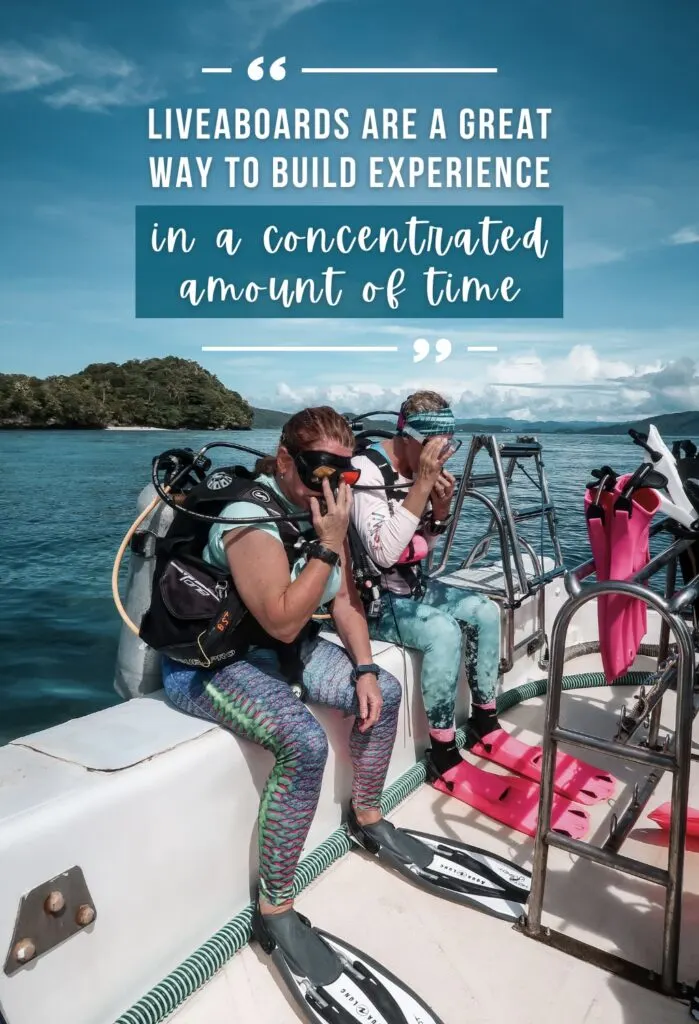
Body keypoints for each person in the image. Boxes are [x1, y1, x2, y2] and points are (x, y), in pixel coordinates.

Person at [159, 406, 409, 960]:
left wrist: (365, 669)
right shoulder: (252, 517)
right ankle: (275, 906)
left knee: (385, 694)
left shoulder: (323, 511)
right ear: (283, 460)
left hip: (276, 653)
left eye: (342, 474)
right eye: (317, 469)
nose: (329, 485)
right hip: (208, 666)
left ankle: (367, 815)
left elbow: (344, 600)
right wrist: (327, 542)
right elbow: (283, 618)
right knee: (303, 742)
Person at [350, 390, 502, 778]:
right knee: (443, 631)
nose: (442, 456)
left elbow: (421, 547)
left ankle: (485, 718)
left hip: (412, 585)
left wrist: (441, 511)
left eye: (448, 445)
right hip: (373, 600)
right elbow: (383, 554)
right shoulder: (366, 472)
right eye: (435, 446)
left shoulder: (421, 470)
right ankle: (442, 747)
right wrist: (421, 488)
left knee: (485, 610)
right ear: (409, 438)